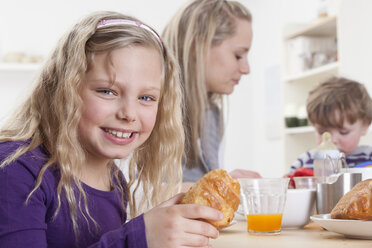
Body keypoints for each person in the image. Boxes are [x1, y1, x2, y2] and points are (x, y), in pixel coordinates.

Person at [0, 11, 223, 248]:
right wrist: (139, 237)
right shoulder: (16, 171)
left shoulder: (114, 179)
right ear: (64, 90)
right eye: (107, 91)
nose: (129, 113)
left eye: (146, 97)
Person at [162, 0, 261, 186]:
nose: (246, 69)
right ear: (198, 46)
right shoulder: (150, 109)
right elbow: (134, 194)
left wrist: (224, 184)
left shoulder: (212, 115)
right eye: (238, 55)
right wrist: (217, 185)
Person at [290, 77, 372, 173]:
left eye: (343, 132)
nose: (332, 140)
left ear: (365, 126)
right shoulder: (305, 162)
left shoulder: (369, 157)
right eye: (322, 132)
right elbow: (289, 184)